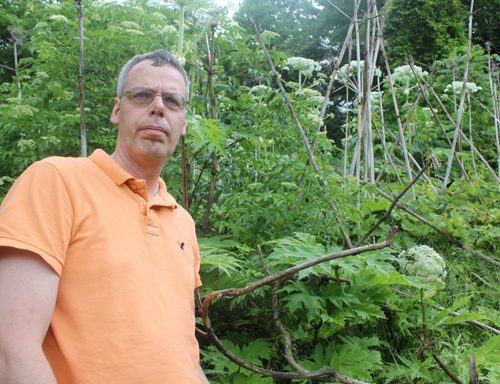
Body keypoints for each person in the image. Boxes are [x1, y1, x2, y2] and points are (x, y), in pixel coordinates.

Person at [0, 50, 210, 384]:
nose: (158, 107)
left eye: (172, 101)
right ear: (117, 110)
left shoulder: (182, 220)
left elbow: (181, 351)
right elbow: (12, 349)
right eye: (142, 95)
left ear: (183, 123)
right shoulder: (56, 180)